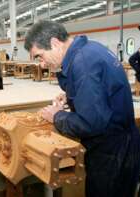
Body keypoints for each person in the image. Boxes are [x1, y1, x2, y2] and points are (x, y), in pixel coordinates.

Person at [24, 20, 140, 197]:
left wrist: (57, 116)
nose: (42, 64)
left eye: (40, 56)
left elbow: (90, 123)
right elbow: (101, 90)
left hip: (112, 152)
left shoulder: (84, 64)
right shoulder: (90, 49)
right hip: (120, 141)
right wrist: (72, 94)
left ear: (54, 43)